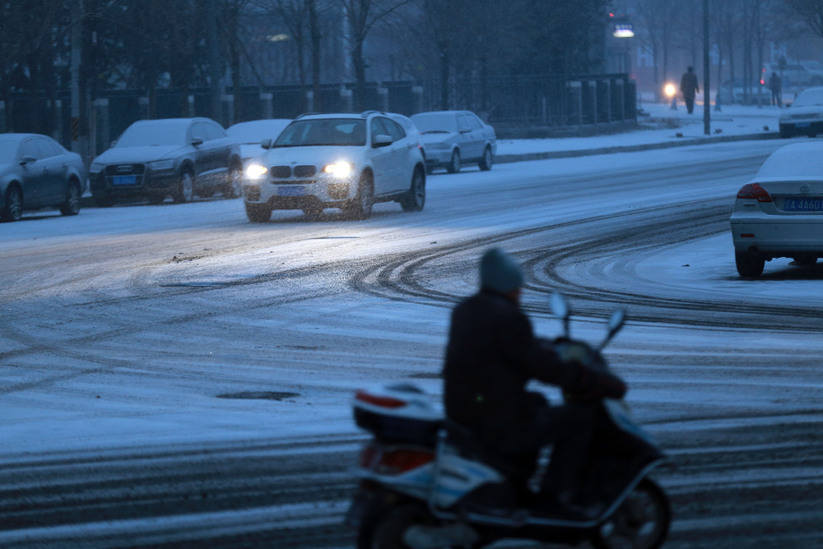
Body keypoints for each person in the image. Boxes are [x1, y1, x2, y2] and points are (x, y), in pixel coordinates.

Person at [442, 247, 627, 515]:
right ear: (508, 286)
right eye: (518, 289)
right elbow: (542, 366)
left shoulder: (465, 310)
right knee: (577, 419)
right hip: (495, 420)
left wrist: (545, 347)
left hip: (466, 413)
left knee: (536, 402)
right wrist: (588, 379)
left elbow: (508, 349)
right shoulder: (508, 316)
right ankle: (554, 498)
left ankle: (516, 484)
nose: (520, 294)